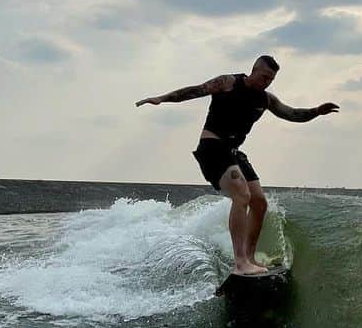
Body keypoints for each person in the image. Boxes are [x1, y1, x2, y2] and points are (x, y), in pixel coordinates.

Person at [136, 55, 339, 275]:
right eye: (264, 77)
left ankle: (250, 258)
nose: (267, 82)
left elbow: (292, 114)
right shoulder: (228, 83)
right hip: (212, 147)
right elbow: (194, 91)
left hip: (233, 153)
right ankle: (239, 262)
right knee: (242, 195)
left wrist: (317, 111)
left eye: (271, 79)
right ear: (253, 70)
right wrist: (161, 98)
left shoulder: (266, 100)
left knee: (260, 203)